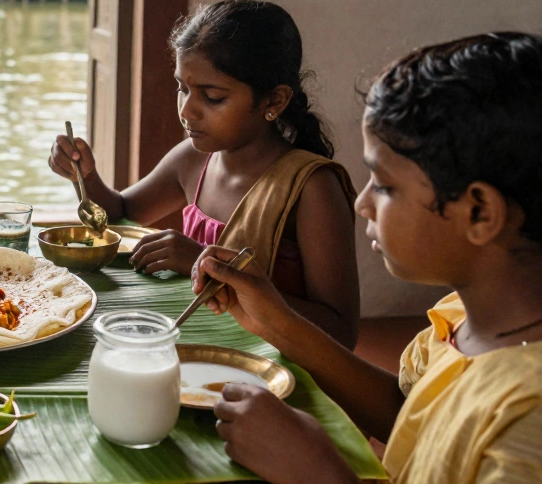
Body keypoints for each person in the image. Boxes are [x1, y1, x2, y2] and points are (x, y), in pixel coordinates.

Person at [194, 32, 542, 483]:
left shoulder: (528, 415)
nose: (362, 204)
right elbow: (410, 416)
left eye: (384, 185)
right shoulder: (462, 319)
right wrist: (276, 321)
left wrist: (316, 471)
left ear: (479, 212)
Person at [50, 0, 359, 346]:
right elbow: (122, 214)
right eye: (182, 87)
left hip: (275, 370)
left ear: (274, 102)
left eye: (212, 97)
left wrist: (203, 264)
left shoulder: (311, 188)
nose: (186, 110)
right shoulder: (195, 160)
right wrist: (85, 176)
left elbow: (341, 333)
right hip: (199, 348)